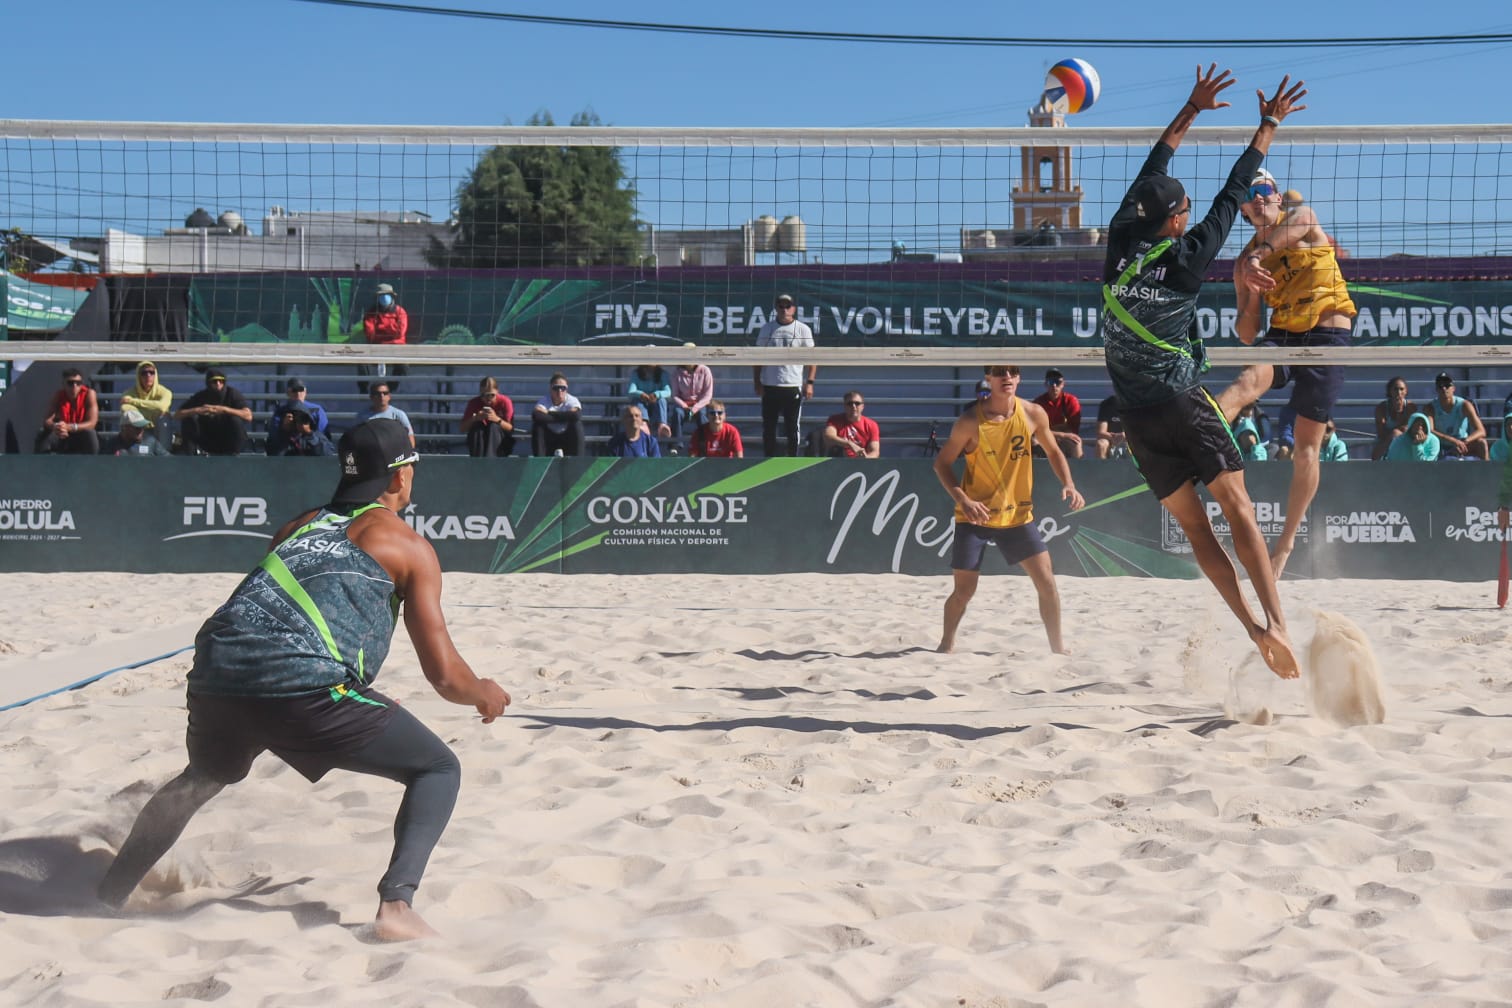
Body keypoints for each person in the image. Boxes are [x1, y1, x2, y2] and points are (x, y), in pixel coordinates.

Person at [95, 419, 511, 942]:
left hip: (216, 676)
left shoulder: (297, 525)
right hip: (304, 691)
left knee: (203, 776)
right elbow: (446, 677)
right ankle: (397, 905)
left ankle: (109, 893)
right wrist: (484, 692)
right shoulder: (408, 546)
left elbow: (279, 612)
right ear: (400, 476)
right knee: (438, 768)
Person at [1099, 64, 1302, 678]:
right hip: (1184, 403)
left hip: (1136, 419)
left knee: (1196, 531)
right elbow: (1237, 188)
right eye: (1186, 209)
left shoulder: (1119, 239)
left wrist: (1190, 108)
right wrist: (1267, 123)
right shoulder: (1188, 257)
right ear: (1177, 220)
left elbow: (1153, 168)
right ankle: (1277, 623)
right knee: (1238, 508)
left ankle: (1252, 631)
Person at [1217, 150, 1358, 577]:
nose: (1258, 197)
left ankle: (1285, 544)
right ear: (1243, 210)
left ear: (1277, 196)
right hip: (1283, 332)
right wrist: (1251, 289)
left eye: (1264, 189)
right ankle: (1201, 437)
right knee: (1247, 380)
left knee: (1306, 448)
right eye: (1249, 195)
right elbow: (1246, 333)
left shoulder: (1302, 219)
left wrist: (1257, 258)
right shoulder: (1243, 262)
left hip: (1327, 333)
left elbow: (1290, 229)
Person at [933, 364, 1085, 655]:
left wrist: (1069, 483)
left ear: (1019, 378)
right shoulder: (970, 421)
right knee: (964, 591)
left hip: (1017, 516)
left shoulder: (1033, 413)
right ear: (988, 378)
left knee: (1047, 584)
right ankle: (945, 644)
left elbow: (1053, 451)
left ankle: (1057, 649)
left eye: (1012, 372)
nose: (1007, 377)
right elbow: (941, 464)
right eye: (1000, 372)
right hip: (975, 516)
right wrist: (963, 500)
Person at [752, 293, 816, 457]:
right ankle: (768, 460)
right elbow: (757, 357)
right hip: (770, 385)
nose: (784, 309)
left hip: (792, 385)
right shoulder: (767, 328)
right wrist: (757, 381)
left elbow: (813, 358)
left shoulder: (803, 329)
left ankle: (792, 460)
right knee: (769, 427)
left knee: (792, 428)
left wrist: (809, 382)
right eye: (781, 306)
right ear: (776, 308)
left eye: (788, 306)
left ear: (793, 309)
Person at [174, 370, 253, 456]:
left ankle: (235, 454)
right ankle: (191, 456)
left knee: (235, 420)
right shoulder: (201, 396)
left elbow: (248, 416)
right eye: (214, 381)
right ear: (208, 383)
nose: (218, 383)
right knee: (188, 420)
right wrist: (197, 410)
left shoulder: (232, 394)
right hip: (208, 438)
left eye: (221, 381)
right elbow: (177, 415)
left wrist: (224, 410)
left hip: (228, 438)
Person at [35, 368, 100, 455]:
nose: (74, 386)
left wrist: (70, 427)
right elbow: (47, 420)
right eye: (70, 383)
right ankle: (42, 462)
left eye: (78, 383)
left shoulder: (89, 394)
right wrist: (56, 427)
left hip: (81, 433)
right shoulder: (58, 395)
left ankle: (93, 461)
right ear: (63, 384)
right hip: (63, 434)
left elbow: (92, 423)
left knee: (90, 433)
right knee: (43, 436)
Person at [1429, 371, 1488, 460]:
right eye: (1440, 386)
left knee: (1482, 443)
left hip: (1463, 443)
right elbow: (1430, 431)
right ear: (1436, 389)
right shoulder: (1430, 407)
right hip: (1441, 446)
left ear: (1453, 388)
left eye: (1447, 385)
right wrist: (1452, 440)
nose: (1444, 388)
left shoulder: (1464, 405)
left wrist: (1464, 442)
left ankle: (1487, 468)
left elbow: (1481, 431)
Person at [361, 282, 408, 392]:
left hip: (397, 348)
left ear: (392, 296)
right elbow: (370, 334)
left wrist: (380, 328)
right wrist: (390, 330)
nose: (384, 297)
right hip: (376, 347)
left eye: (386, 295)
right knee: (362, 362)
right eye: (381, 295)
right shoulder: (371, 312)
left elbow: (400, 333)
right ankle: (363, 389)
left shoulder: (400, 312)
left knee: (404, 365)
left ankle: (390, 389)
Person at [1031, 368, 1083, 459]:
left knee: (1076, 441)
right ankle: (1036, 467)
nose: (1054, 385)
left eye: (1058, 382)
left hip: (1066, 435)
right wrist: (1059, 435)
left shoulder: (1071, 400)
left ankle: (1078, 467)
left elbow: (1074, 429)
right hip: (1045, 435)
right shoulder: (1038, 403)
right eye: (1050, 382)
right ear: (1045, 384)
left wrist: (1062, 435)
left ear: (1063, 384)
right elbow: (1035, 430)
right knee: (1033, 441)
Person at [531, 372, 585, 457]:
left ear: (567, 389)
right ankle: (539, 460)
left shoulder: (572, 400)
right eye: (556, 388)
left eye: (563, 388)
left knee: (576, 424)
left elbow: (576, 415)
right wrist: (565, 416)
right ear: (550, 389)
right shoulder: (544, 400)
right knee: (538, 425)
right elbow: (537, 416)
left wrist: (548, 413)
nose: (559, 391)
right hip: (549, 438)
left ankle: (578, 460)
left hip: (567, 438)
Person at [460, 377, 515, 458]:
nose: (487, 399)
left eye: (491, 395)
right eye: (483, 395)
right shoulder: (474, 402)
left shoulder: (505, 402)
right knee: (477, 427)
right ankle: (478, 460)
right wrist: (475, 418)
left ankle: (491, 460)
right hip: (481, 439)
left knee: (494, 427)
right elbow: (462, 428)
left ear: (497, 391)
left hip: (501, 441)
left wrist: (497, 419)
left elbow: (510, 428)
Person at [267, 377, 330, 442]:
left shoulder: (317, 411)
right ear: (288, 393)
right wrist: (284, 428)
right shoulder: (280, 412)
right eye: (294, 390)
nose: (298, 394)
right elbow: (272, 440)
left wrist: (309, 432)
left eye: (301, 390)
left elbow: (325, 440)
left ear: (305, 392)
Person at [821, 391, 881, 458]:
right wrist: (849, 444)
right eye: (849, 403)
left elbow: (875, 451)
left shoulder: (871, 425)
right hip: (839, 460)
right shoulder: (835, 420)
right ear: (844, 406)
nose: (853, 406)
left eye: (857, 403)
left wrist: (866, 458)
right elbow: (828, 436)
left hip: (861, 462)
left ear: (862, 406)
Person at [354, 382, 416, 446]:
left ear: (389, 396)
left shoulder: (399, 415)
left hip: (394, 450)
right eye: (377, 393)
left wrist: (410, 450)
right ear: (371, 397)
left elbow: (410, 435)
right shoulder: (362, 416)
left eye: (385, 393)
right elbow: (356, 438)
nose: (382, 396)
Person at [120, 360, 173, 434]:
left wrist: (133, 401)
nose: (148, 375)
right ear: (138, 376)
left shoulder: (165, 392)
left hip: (160, 428)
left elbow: (162, 407)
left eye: (151, 372)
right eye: (144, 373)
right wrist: (154, 413)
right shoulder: (128, 393)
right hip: (139, 429)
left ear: (155, 375)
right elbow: (125, 408)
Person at [1371, 376, 1416, 461]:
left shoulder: (1411, 407)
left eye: (1401, 389)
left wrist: (1396, 433)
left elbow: (1408, 429)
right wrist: (1394, 434)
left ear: (1406, 391)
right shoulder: (1381, 408)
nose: (1399, 392)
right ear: (1390, 391)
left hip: (1404, 440)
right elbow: (1381, 432)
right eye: (1395, 389)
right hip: (1385, 440)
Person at [670, 361, 714, 440]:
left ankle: (705, 441)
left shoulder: (705, 370)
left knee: (701, 414)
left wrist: (695, 408)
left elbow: (708, 395)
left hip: (700, 404)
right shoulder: (676, 373)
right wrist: (684, 406)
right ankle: (676, 443)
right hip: (683, 405)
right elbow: (675, 395)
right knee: (677, 413)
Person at [266, 408, 337, 457]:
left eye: (303, 419)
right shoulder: (278, 436)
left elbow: (328, 454)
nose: (298, 422)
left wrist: (310, 435)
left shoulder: (317, 435)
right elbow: (273, 457)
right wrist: (285, 431)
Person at [627, 365, 673, 439]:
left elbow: (668, 392)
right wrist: (641, 394)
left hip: (656, 404)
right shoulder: (636, 374)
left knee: (662, 400)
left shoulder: (663, 374)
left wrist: (656, 395)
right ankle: (643, 423)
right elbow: (631, 391)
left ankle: (662, 424)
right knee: (637, 401)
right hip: (642, 404)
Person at [1094, 395, 1126, 460]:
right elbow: (1100, 432)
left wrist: (1125, 435)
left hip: (1130, 439)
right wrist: (1114, 437)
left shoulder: (1136, 403)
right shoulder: (1107, 404)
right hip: (1110, 438)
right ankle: (1101, 466)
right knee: (1101, 444)